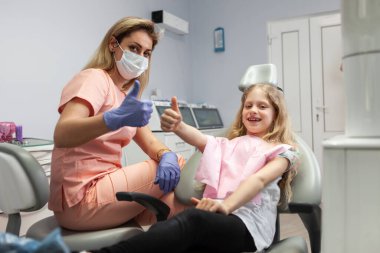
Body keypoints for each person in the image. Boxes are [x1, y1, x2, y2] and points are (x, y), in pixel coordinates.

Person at [86, 83, 300, 253]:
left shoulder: (283, 151)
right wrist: (178, 125)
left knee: (192, 220)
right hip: (217, 218)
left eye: (262, 106)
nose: (253, 110)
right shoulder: (229, 144)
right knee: (164, 230)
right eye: (248, 105)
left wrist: (225, 206)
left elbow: (259, 180)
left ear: (276, 114)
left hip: (248, 227)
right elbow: (199, 139)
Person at [48, 16, 187, 231]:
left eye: (146, 53)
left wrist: (165, 155)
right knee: (181, 166)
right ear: (114, 44)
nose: (140, 57)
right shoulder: (94, 78)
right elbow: (63, 134)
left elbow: (151, 143)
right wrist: (112, 119)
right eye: (134, 48)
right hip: (82, 197)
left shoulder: (124, 97)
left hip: (100, 194)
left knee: (178, 205)